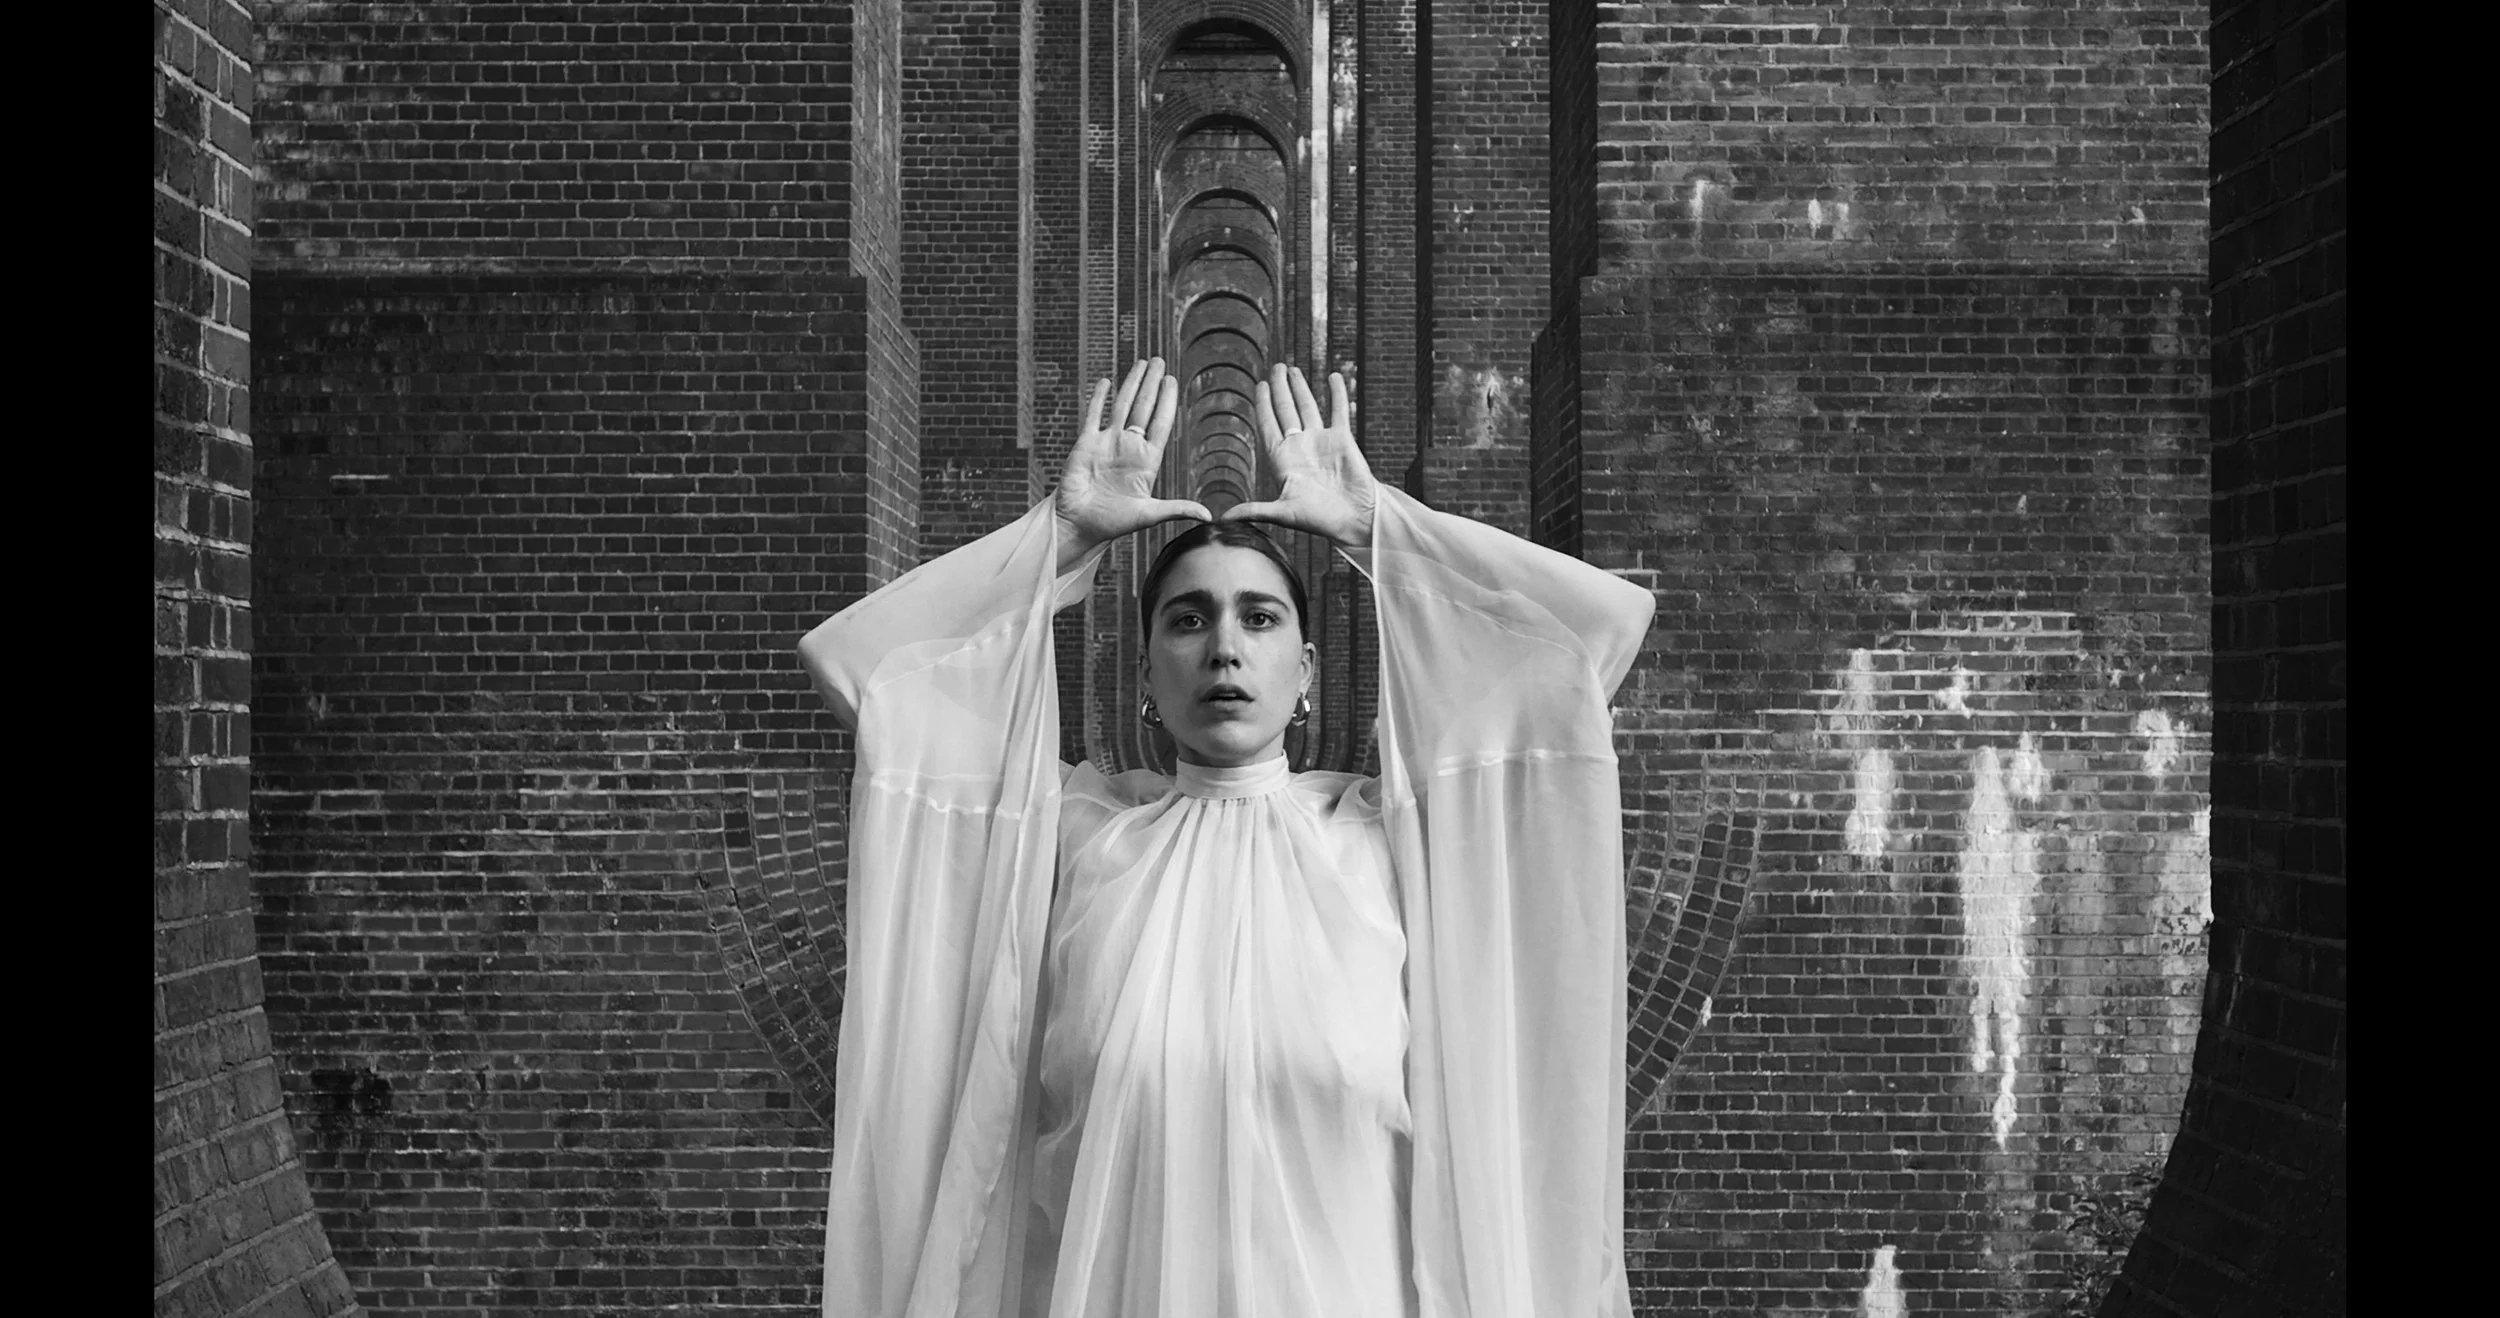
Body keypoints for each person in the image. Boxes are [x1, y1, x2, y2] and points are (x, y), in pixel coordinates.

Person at [799, 358, 1655, 1318]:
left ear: (1307, 671)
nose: (1225, 647)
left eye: (1259, 617)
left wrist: (1377, 529)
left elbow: (1589, 640)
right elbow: (862, 669)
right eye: (1188, 619)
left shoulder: (1385, 845)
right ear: (1145, 674)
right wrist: (1062, 536)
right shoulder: (1074, 842)